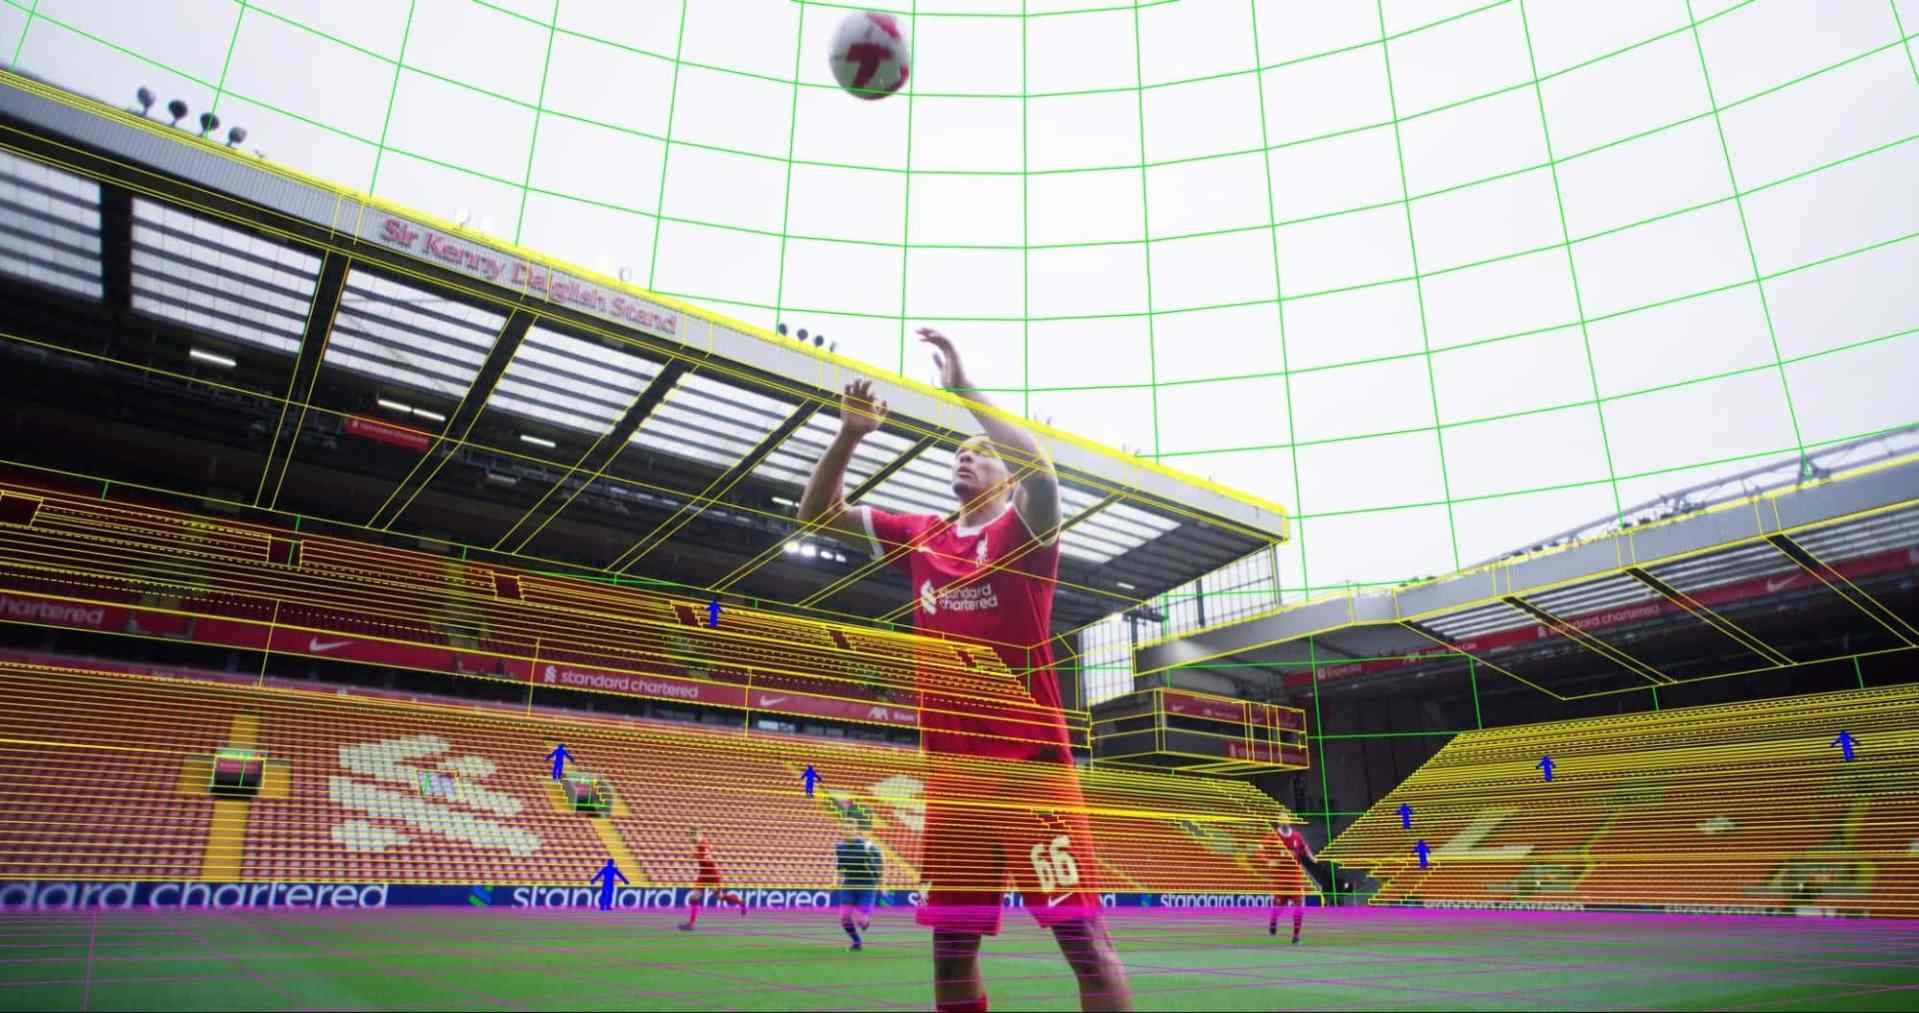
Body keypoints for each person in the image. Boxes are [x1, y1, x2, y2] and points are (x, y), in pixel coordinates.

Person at [799, 328, 1133, 1012]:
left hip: (1030, 768)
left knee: (1084, 942)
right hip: (953, 782)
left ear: (1003, 477)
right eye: (958, 449)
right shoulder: (922, 535)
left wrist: (962, 390)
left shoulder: (1023, 533)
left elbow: (1042, 474)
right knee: (949, 950)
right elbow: (817, 514)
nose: (964, 454)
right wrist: (850, 435)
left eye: (980, 453)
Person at [1258, 822, 1325, 944]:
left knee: (1299, 906)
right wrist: (1268, 861)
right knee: (1279, 908)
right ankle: (1273, 921)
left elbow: (1305, 848)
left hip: (1295, 879)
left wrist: (1312, 858)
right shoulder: (1272, 836)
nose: (1284, 824)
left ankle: (1296, 936)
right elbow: (1260, 849)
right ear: (1279, 823)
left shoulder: (1296, 836)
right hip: (1280, 879)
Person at [835, 809, 885, 951]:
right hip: (849, 885)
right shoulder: (840, 847)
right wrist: (835, 882)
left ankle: (865, 923)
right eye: (845, 828)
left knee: (860, 920)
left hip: (867, 886)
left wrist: (882, 883)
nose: (848, 830)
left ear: (856, 830)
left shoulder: (867, 846)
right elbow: (840, 867)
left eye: (851, 828)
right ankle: (856, 942)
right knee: (844, 917)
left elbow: (881, 862)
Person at [678, 827, 745, 930]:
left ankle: (740, 902)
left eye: (693, 835)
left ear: (698, 835)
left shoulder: (702, 845)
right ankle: (691, 924)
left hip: (711, 875)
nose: (691, 838)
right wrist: (697, 855)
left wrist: (696, 856)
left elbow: (707, 861)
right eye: (690, 835)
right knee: (694, 897)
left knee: (719, 897)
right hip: (703, 875)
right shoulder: (701, 845)